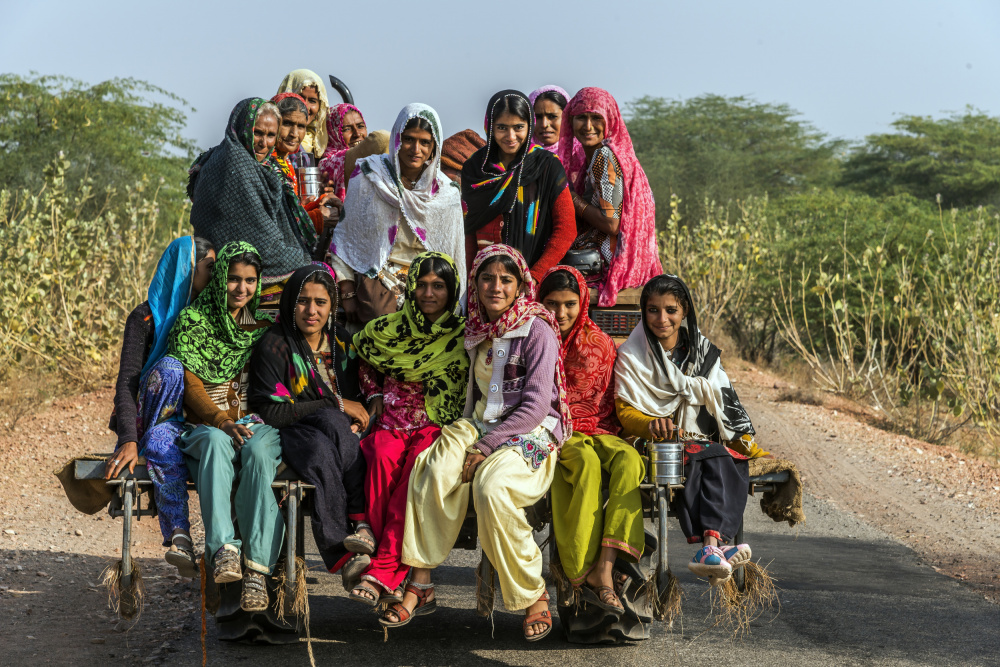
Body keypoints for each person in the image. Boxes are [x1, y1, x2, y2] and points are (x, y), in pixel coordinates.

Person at [400, 245, 572, 641]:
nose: (496, 287)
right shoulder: (477, 330)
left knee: (491, 487)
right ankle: (422, 581)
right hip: (480, 426)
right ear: (474, 284)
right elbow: (475, 402)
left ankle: (534, 595)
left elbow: (533, 406)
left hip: (530, 433)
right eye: (488, 278)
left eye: (506, 280)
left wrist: (485, 447)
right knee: (434, 463)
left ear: (518, 286)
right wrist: (467, 438)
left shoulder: (537, 329)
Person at [614, 274, 768, 584]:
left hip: (700, 442)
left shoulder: (703, 352)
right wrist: (650, 424)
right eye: (653, 310)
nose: (662, 319)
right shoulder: (632, 354)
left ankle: (714, 549)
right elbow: (624, 412)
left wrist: (745, 444)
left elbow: (726, 400)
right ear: (643, 312)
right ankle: (712, 546)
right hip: (655, 444)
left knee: (730, 460)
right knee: (707, 455)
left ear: (684, 312)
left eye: (671, 310)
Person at [348, 252, 468, 607]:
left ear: (452, 291)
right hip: (391, 423)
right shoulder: (388, 329)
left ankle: (385, 569)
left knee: (416, 473)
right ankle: (391, 567)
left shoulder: (463, 336)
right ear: (411, 288)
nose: (429, 293)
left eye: (439, 286)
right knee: (381, 457)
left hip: (436, 428)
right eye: (422, 285)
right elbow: (366, 360)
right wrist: (374, 395)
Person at [167, 242, 283, 612]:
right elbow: (190, 385)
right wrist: (222, 420)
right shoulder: (192, 322)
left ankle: (257, 570)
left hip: (255, 424)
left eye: (250, 281)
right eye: (233, 278)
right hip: (207, 426)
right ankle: (225, 549)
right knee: (217, 443)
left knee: (259, 452)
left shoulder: (262, 326)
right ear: (219, 279)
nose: (242, 289)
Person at [248, 264, 373, 582]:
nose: (311, 310)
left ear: (332, 306)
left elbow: (360, 398)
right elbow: (271, 412)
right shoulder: (274, 344)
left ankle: (361, 524)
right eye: (303, 300)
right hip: (289, 428)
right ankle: (342, 552)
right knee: (320, 447)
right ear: (290, 302)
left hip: (337, 432)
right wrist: (338, 404)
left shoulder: (342, 343)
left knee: (340, 432)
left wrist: (355, 418)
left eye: (321, 302)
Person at [105, 236, 215, 577]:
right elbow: (127, 381)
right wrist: (128, 438)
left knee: (161, 444)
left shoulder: (214, 315)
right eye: (209, 267)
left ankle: (218, 547)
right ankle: (180, 535)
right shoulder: (146, 318)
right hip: (155, 416)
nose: (216, 275)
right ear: (186, 270)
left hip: (202, 418)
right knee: (169, 369)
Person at [538, 266, 644, 615]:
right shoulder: (534, 338)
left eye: (569, 304)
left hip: (601, 429)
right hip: (558, 431)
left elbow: (611, 398)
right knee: (583, 464)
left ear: (582, 302)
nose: (561, 313)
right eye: (552, 304)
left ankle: (606, 566)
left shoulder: (598, 341)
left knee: (630, 460)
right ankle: (581, 572)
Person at [330, 103, 464, 325]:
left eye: (425, 142)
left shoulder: (446, 192)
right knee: (379, 316)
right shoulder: (369, 176)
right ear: (397, 139)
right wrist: (347, 290)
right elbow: (346, 238)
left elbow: (453, 254)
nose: (416, 149)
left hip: (427, 274)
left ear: (434, 147)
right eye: (409, 139)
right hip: (378, 271)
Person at [188, 98, 320, 304]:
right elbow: (264, 248)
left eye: (270, 136)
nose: (263, 143)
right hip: (236, 279)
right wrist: (303, 259)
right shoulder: (237, 164)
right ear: (243, 128)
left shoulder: (239, 160)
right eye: (257, 133)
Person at [558, 87, 662, 306]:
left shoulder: (604, 156)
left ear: (610, 120)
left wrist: (570, 197)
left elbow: (611, 222)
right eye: (581, 118)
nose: (588, 126)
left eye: (596, 118)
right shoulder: (601, 156)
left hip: (606, 264)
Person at [462, 90, 576, 281]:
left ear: (529, 126)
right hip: (485, 282)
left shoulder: (546, 165)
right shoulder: (475, 168)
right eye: (502, 128)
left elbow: (566, 229)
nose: (511, 136)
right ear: (489, 127)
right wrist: (471, 281)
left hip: (530, 280)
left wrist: (535, 277)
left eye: (518, 127)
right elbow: (468, 232)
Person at [271, 93, 341, 237]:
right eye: (287, 123)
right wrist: (317, 218)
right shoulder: (267, 164)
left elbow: (293, 210)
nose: (294, 134)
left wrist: (322, 201)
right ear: (273, 123)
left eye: (301, 126)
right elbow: (274, 222)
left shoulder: (287, 163)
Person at [319, 103, 390, 202]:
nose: (357, 134)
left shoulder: (371, 159)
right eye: (347, 129)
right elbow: (382, 139)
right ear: (332, 132)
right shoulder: (328, 164)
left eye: (360, 126)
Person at [275, 68, 330, 168]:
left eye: (312, 101)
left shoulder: (323, 145)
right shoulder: (268, 142)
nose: (305, 106)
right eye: (299, 97)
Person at [528, 85, 569, 154]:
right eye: (538, 117)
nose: (544, 124)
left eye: (552, 116)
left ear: (567, 118)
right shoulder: (520, 157)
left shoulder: (582, 155)